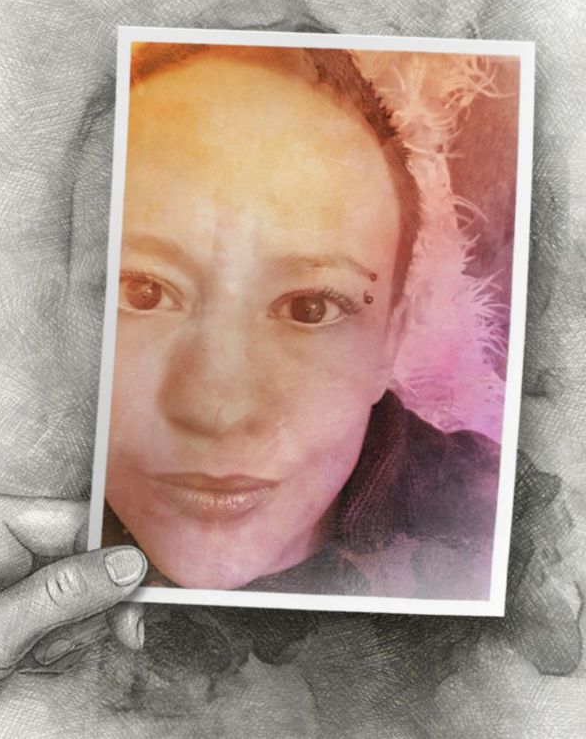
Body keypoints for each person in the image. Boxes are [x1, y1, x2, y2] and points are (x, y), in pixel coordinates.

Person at [101, 42, 500, 597]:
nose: (217, 411)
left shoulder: (515, 528)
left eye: (310, 308)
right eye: (143, 292)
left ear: (390, 341)